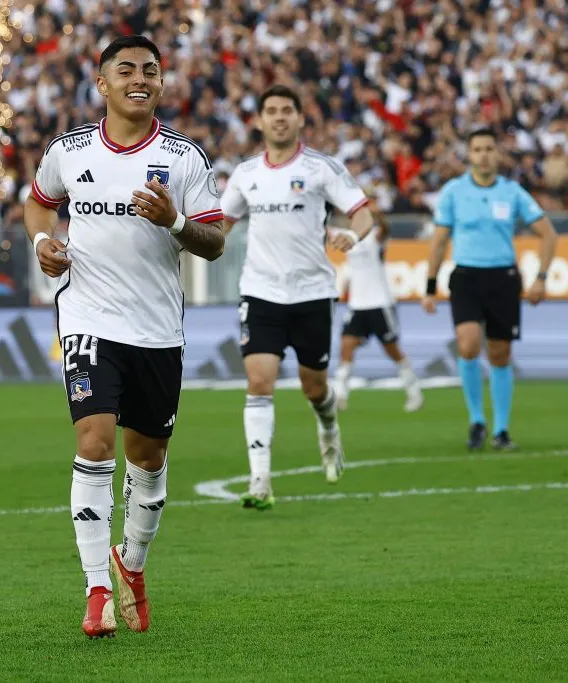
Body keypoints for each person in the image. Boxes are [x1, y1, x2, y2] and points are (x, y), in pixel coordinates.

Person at [23, 35, 224, 639]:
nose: (141, 78)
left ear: (161, 84)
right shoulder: (69, 151)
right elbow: (38, 205)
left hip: (157, 328)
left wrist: (176, 221)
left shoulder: (185, 158)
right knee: (95, 439)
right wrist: (42, 245)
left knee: (149, 456)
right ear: (102, 81)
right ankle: (96, 589)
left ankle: (130, 565)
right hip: (88, 317)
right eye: (127, 69)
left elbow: (214, 244)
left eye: (152, 71)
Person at [219, 84, 375, 510]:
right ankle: (260, 481)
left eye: (287, 110)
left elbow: (362, 213)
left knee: (314, 388)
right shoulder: (245, 175)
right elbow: (220, 226)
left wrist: (351, 233)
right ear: (259, 120)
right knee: (259, 381)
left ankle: (328, 429)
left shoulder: (323, 168)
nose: (279, 117)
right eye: (271, 110)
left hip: (312, 293)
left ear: (300, 118)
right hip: (261, 291)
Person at [422, 128, 558, 451]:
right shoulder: (454, 192)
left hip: (503, 279)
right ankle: (476, 420)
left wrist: (541, 277)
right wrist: (429, 287)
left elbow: (548, 234)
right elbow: (439, 241)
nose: (484, 155)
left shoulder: (513, 193)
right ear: (469, 155)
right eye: (478, 149)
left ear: (497, 154)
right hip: (467, 277)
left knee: (500, 354)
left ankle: (501, 430)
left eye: (489, 149)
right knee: (468, 345)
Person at [333, 197, 422, 412]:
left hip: (380, 303)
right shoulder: (346, 238)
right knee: (346, 346)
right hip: (357, 304)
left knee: (391, 349)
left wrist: (375, 212)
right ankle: (340, 395)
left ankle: (414, 391)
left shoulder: (375, 236)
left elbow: (385, 227)